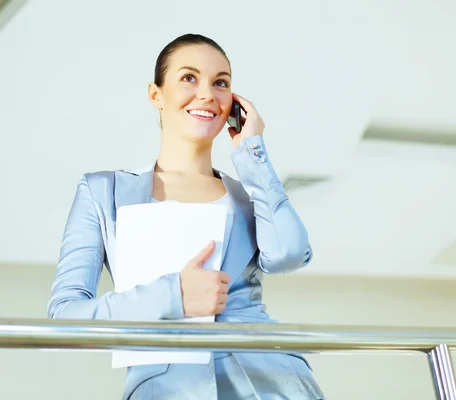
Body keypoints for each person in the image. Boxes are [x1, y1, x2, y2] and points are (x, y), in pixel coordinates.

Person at [47, 33, 325, 400]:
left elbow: (289, 254)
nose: (207, 94)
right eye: (189, 78)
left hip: (272, 383)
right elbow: (65, 319)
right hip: (167, 389)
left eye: (220, 83)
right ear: (155, 94)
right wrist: (170, 296)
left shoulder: (249, 197)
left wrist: (253, 153)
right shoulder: (103, 192)